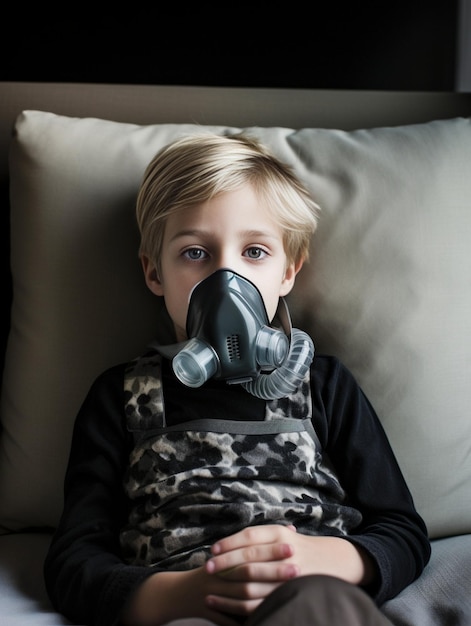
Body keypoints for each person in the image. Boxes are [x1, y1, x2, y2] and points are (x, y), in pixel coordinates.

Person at [44, 132, 431, 626]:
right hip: (185, 607)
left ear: (288, 272)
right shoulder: (120, 398)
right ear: (153, 272)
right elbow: (74, 563)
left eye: (254, 252)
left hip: (308, 600)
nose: (226, 279)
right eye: (194, 253)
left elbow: (402, 530)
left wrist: (324, 562)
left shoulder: (324, 385)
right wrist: (183, 595)